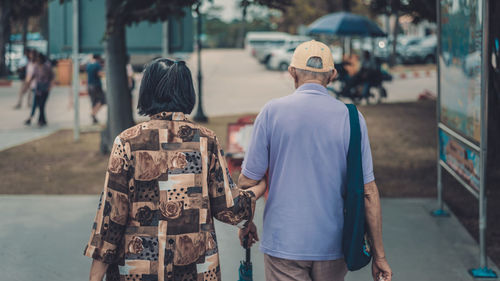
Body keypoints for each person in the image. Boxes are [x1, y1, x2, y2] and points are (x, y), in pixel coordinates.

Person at [84, 58, 267, 281]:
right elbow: (229, 207)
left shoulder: (127, 142)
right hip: (196, 271)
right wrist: (260, 187)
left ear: (147, 91)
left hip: (137, 271)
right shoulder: (205, 141)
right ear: (187, 92)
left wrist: (95, 276)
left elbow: (112, 217)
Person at [238, 40, 392, 281]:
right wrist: (380, 256)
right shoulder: (351, 118)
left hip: (283, 241)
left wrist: (247, 223)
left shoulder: (271, 112)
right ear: (332, 75)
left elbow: (247, 181)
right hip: (332, 245)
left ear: (292, 72)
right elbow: (368, 191)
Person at [24, 53, 54, 127]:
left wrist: (50, 86)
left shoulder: (47, 66)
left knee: (42, 104)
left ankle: (40, 120)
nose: (38, 60)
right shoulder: (36, 67)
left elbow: (52, 76)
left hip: (45, 87)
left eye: (39, 59)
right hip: (38, 87)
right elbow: (33, 76)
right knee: (39, 104)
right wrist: (27, 85)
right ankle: (42, 120)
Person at [86, 54, 106, 124]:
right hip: (96, 85)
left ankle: (94, 117)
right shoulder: (97, 65)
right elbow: (99, 74)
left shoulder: (88, 64)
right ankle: (93, 113)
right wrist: (105, 74)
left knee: (93, 101)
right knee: (102, 100)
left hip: (89, 85)